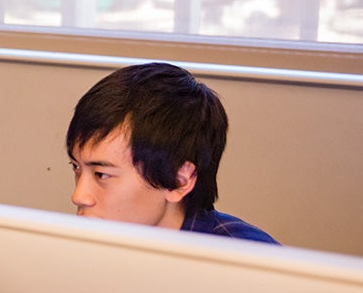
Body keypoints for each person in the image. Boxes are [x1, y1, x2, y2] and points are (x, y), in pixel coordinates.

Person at [66, 62, 278, 243]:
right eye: (76, 167)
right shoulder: (92, 248)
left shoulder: (247, 262)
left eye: (102, 174)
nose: (79, 196)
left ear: (179, 180)